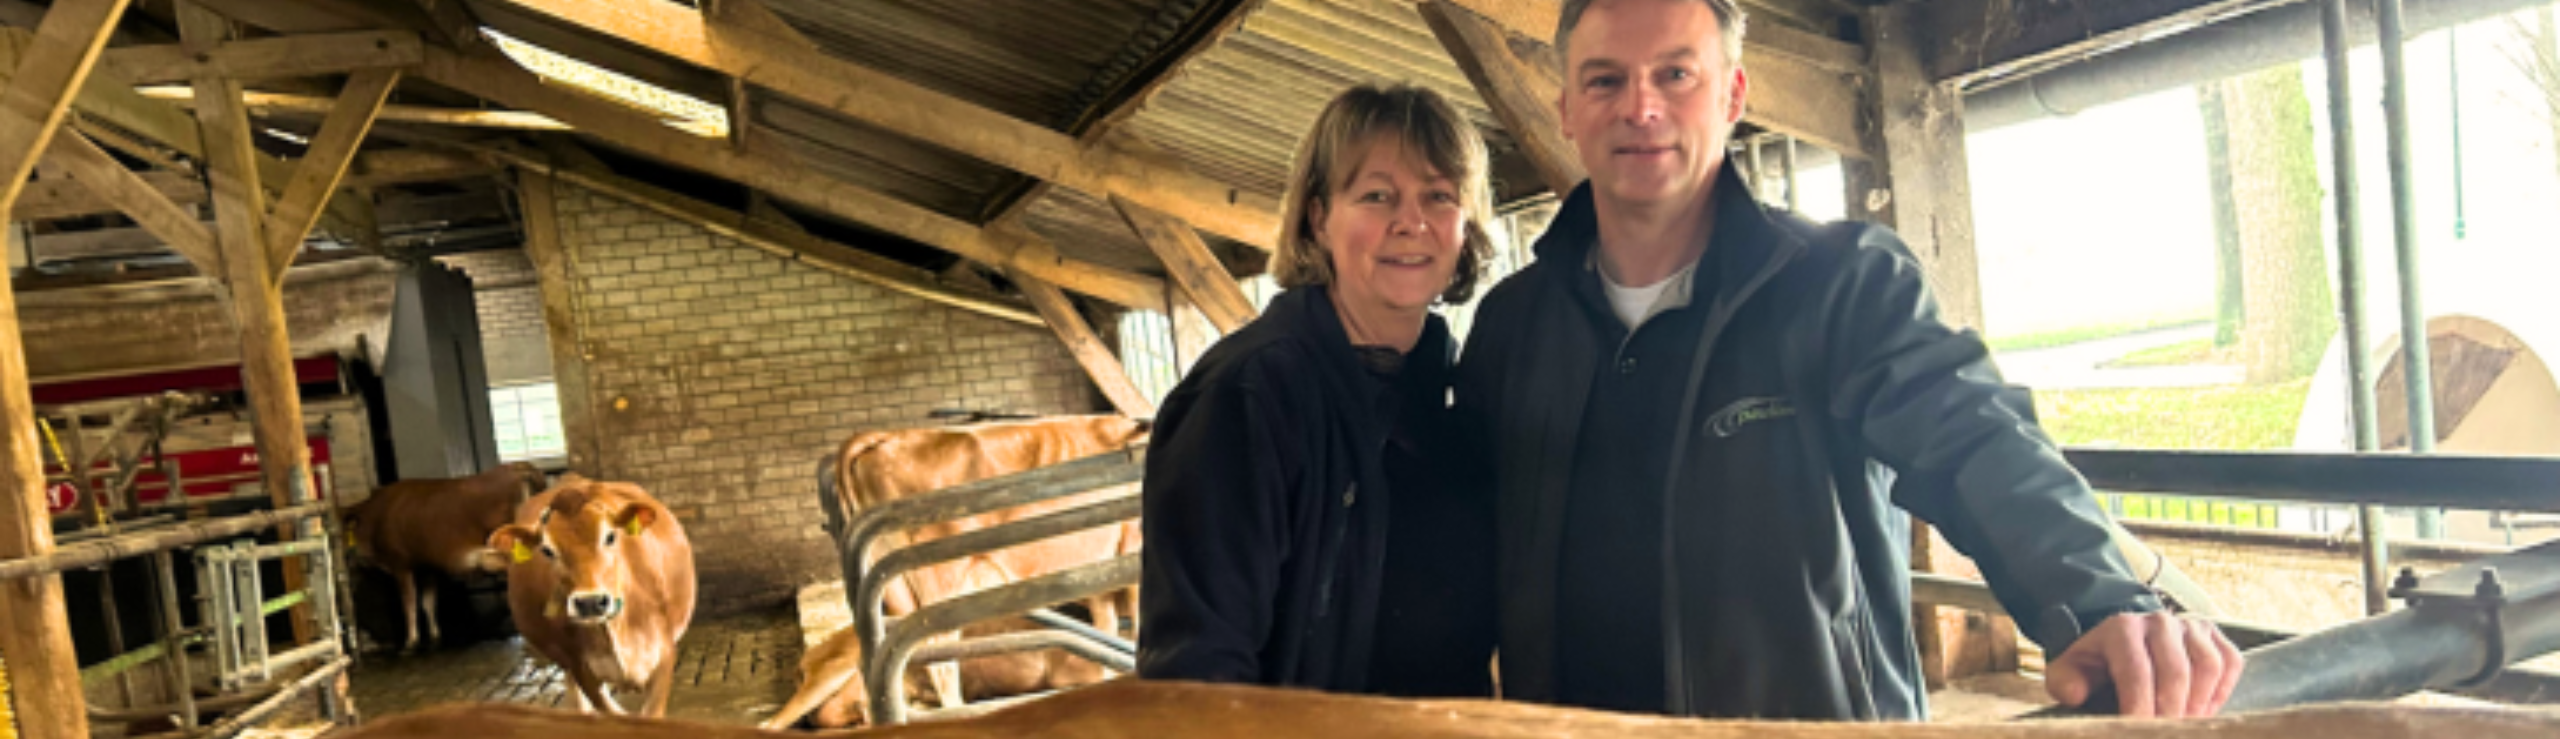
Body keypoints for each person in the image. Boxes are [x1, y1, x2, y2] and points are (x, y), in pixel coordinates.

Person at [1452, 0, 2246, 720]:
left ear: (1732, 96)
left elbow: (1974, 434)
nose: (1640, 105)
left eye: (1675, 73)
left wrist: (2096, 599)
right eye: (1604, 80)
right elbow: (1456, 534)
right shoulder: (1511, 326)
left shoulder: (1840, 285)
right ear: (1565, 110)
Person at [1136, 84, 1498, 698]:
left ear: (1465, 225)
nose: (1411, 222)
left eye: (1438, 196)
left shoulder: (1449, 391)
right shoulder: (1248, 396)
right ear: (1319, 217)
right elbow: (1198, 672)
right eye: (1377, 195)